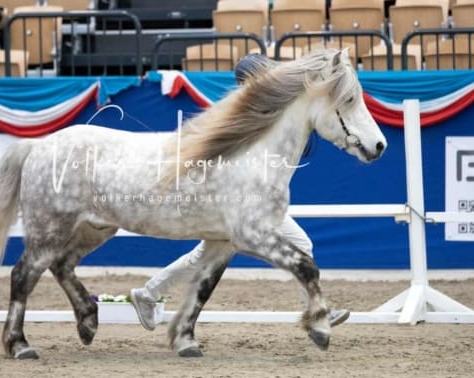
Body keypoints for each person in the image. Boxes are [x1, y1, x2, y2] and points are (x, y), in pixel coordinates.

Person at [130, 54, 351, 332]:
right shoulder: (242, 113)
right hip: (238, 204)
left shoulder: (269, 111)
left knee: (207, 256)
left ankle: (148, 293)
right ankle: (317, 312)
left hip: (253, 202)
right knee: (297, 245)